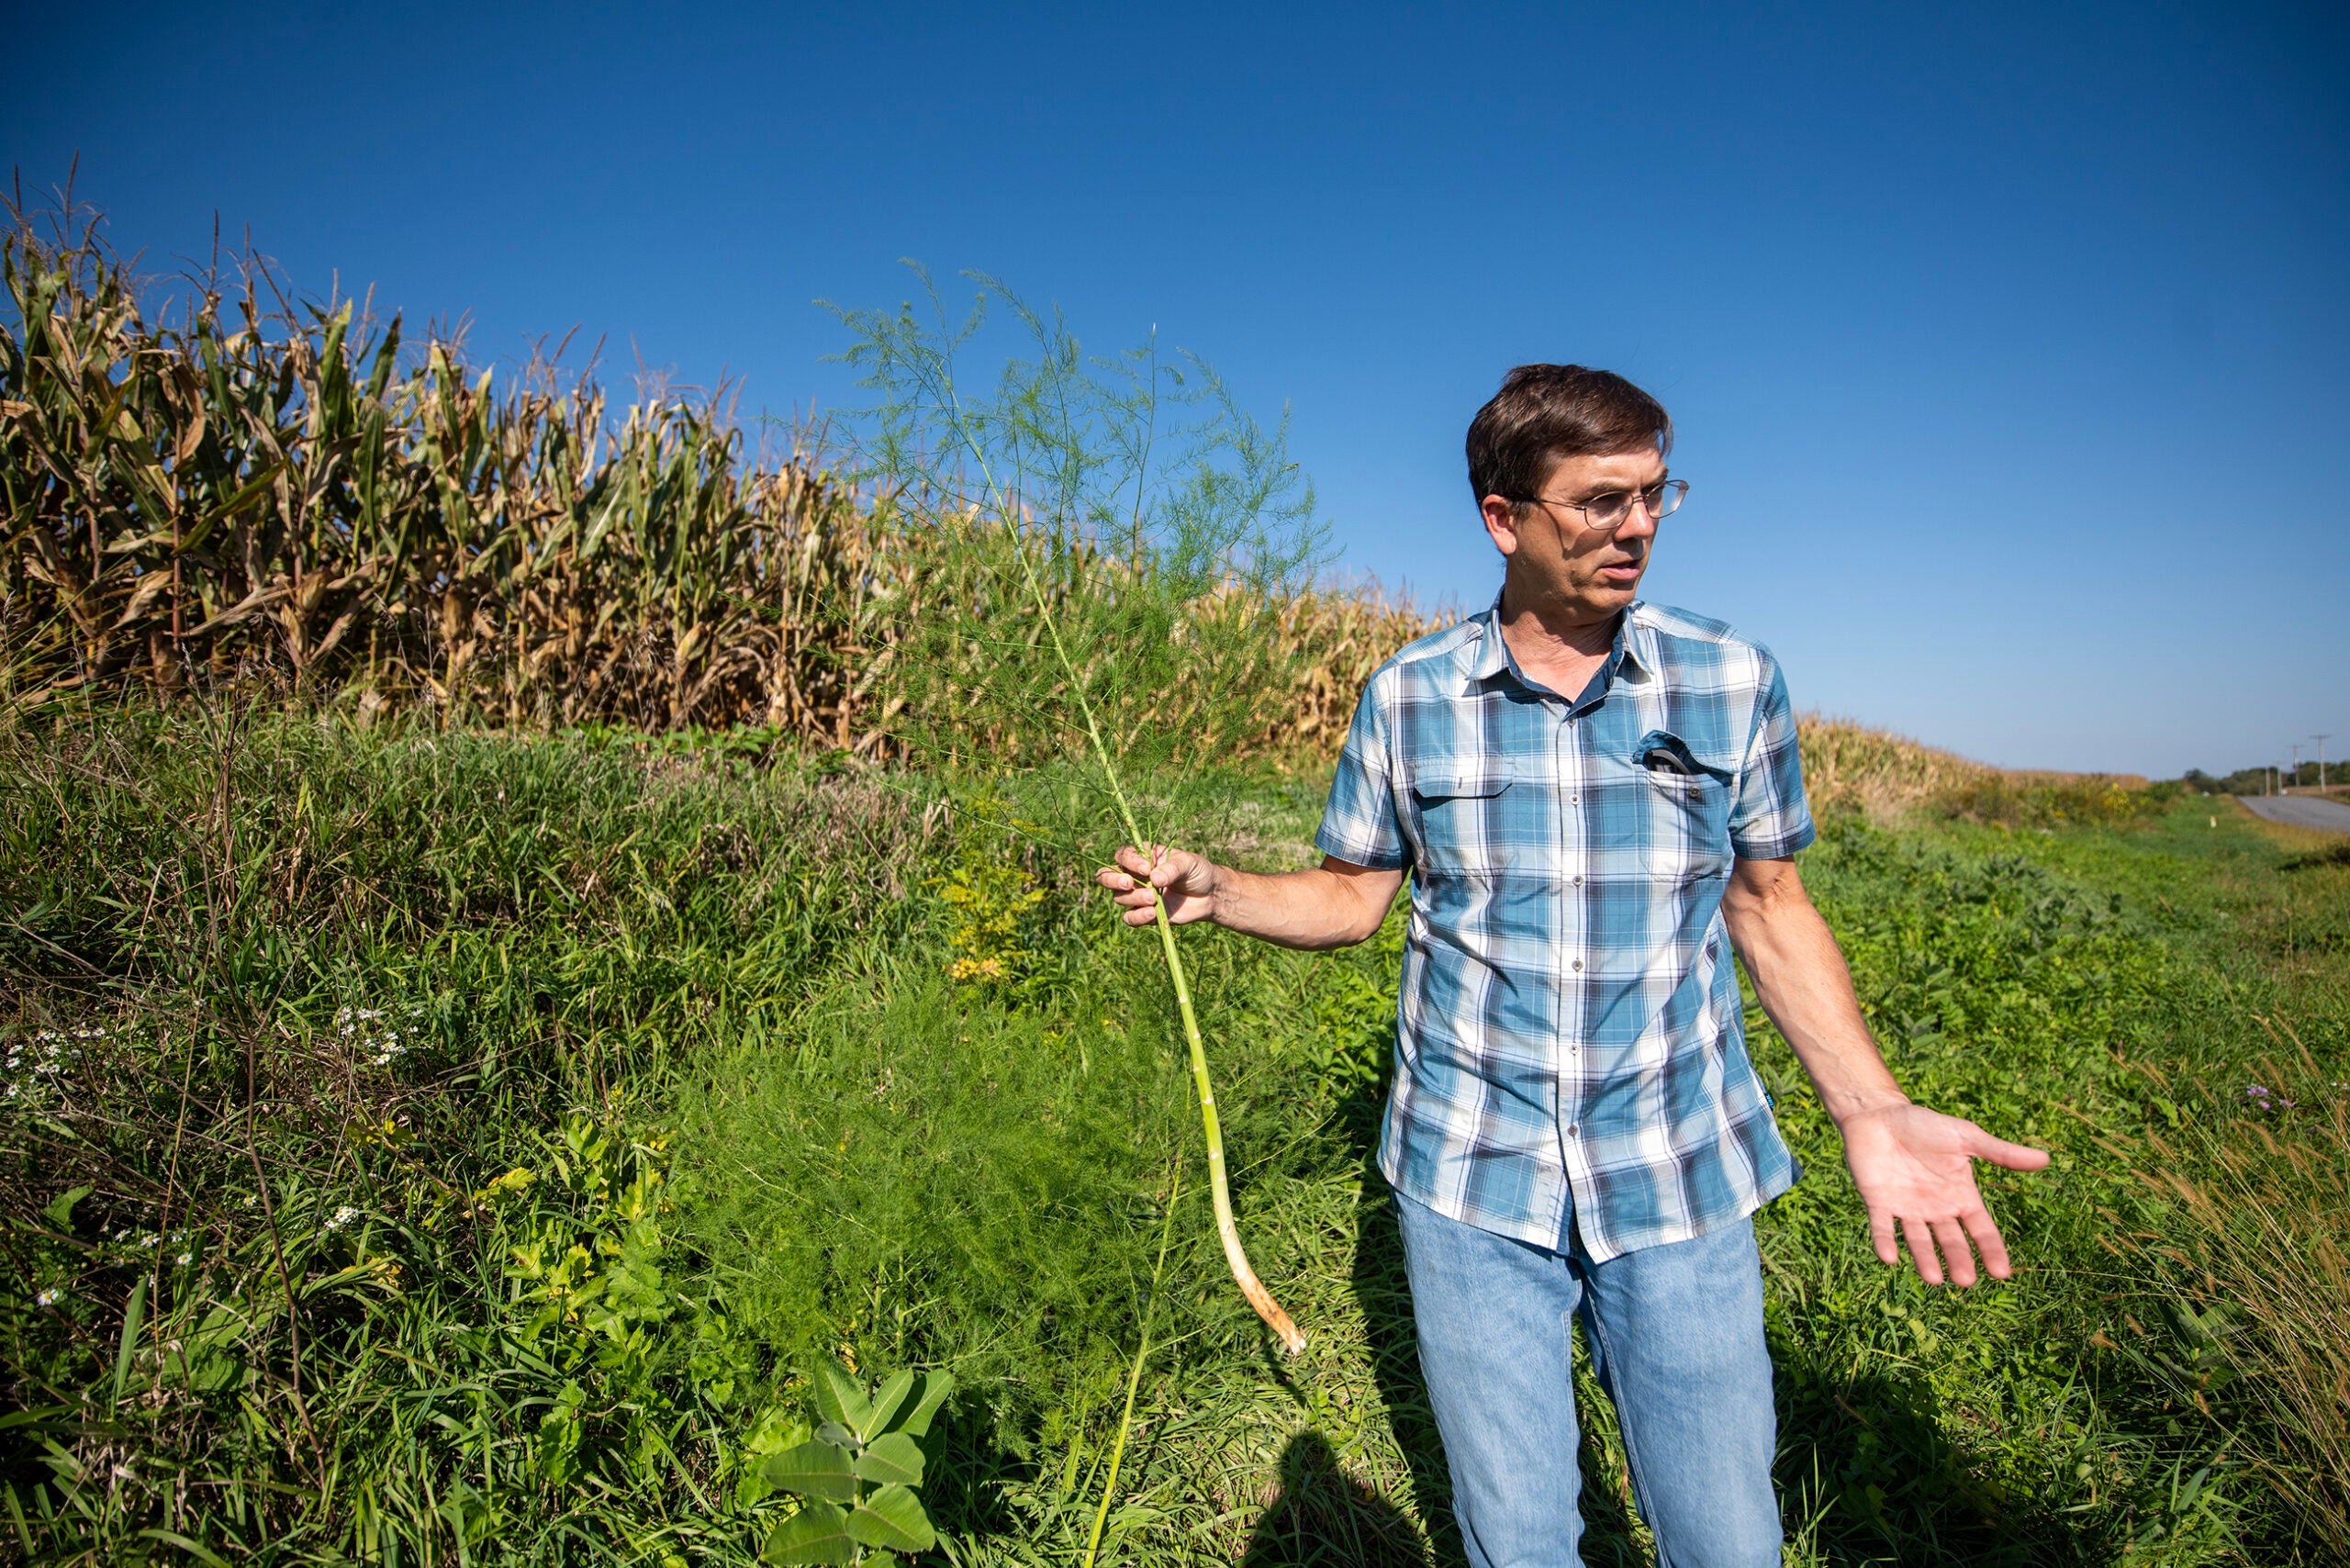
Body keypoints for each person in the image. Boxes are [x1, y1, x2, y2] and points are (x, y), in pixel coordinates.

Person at [1096, 364, 2050, 1567]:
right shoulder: (1408, 698)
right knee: (1519, 1539)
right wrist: (1219, 891)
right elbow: (1351, 898)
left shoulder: (1732, 680)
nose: (1638, 525)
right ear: (1505, 518)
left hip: (1676, 1168)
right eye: (1600, 500)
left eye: (1656, 494)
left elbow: (1769, 905)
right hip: (1470, 1180)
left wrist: (1871, 1105)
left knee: (1727, 1535)